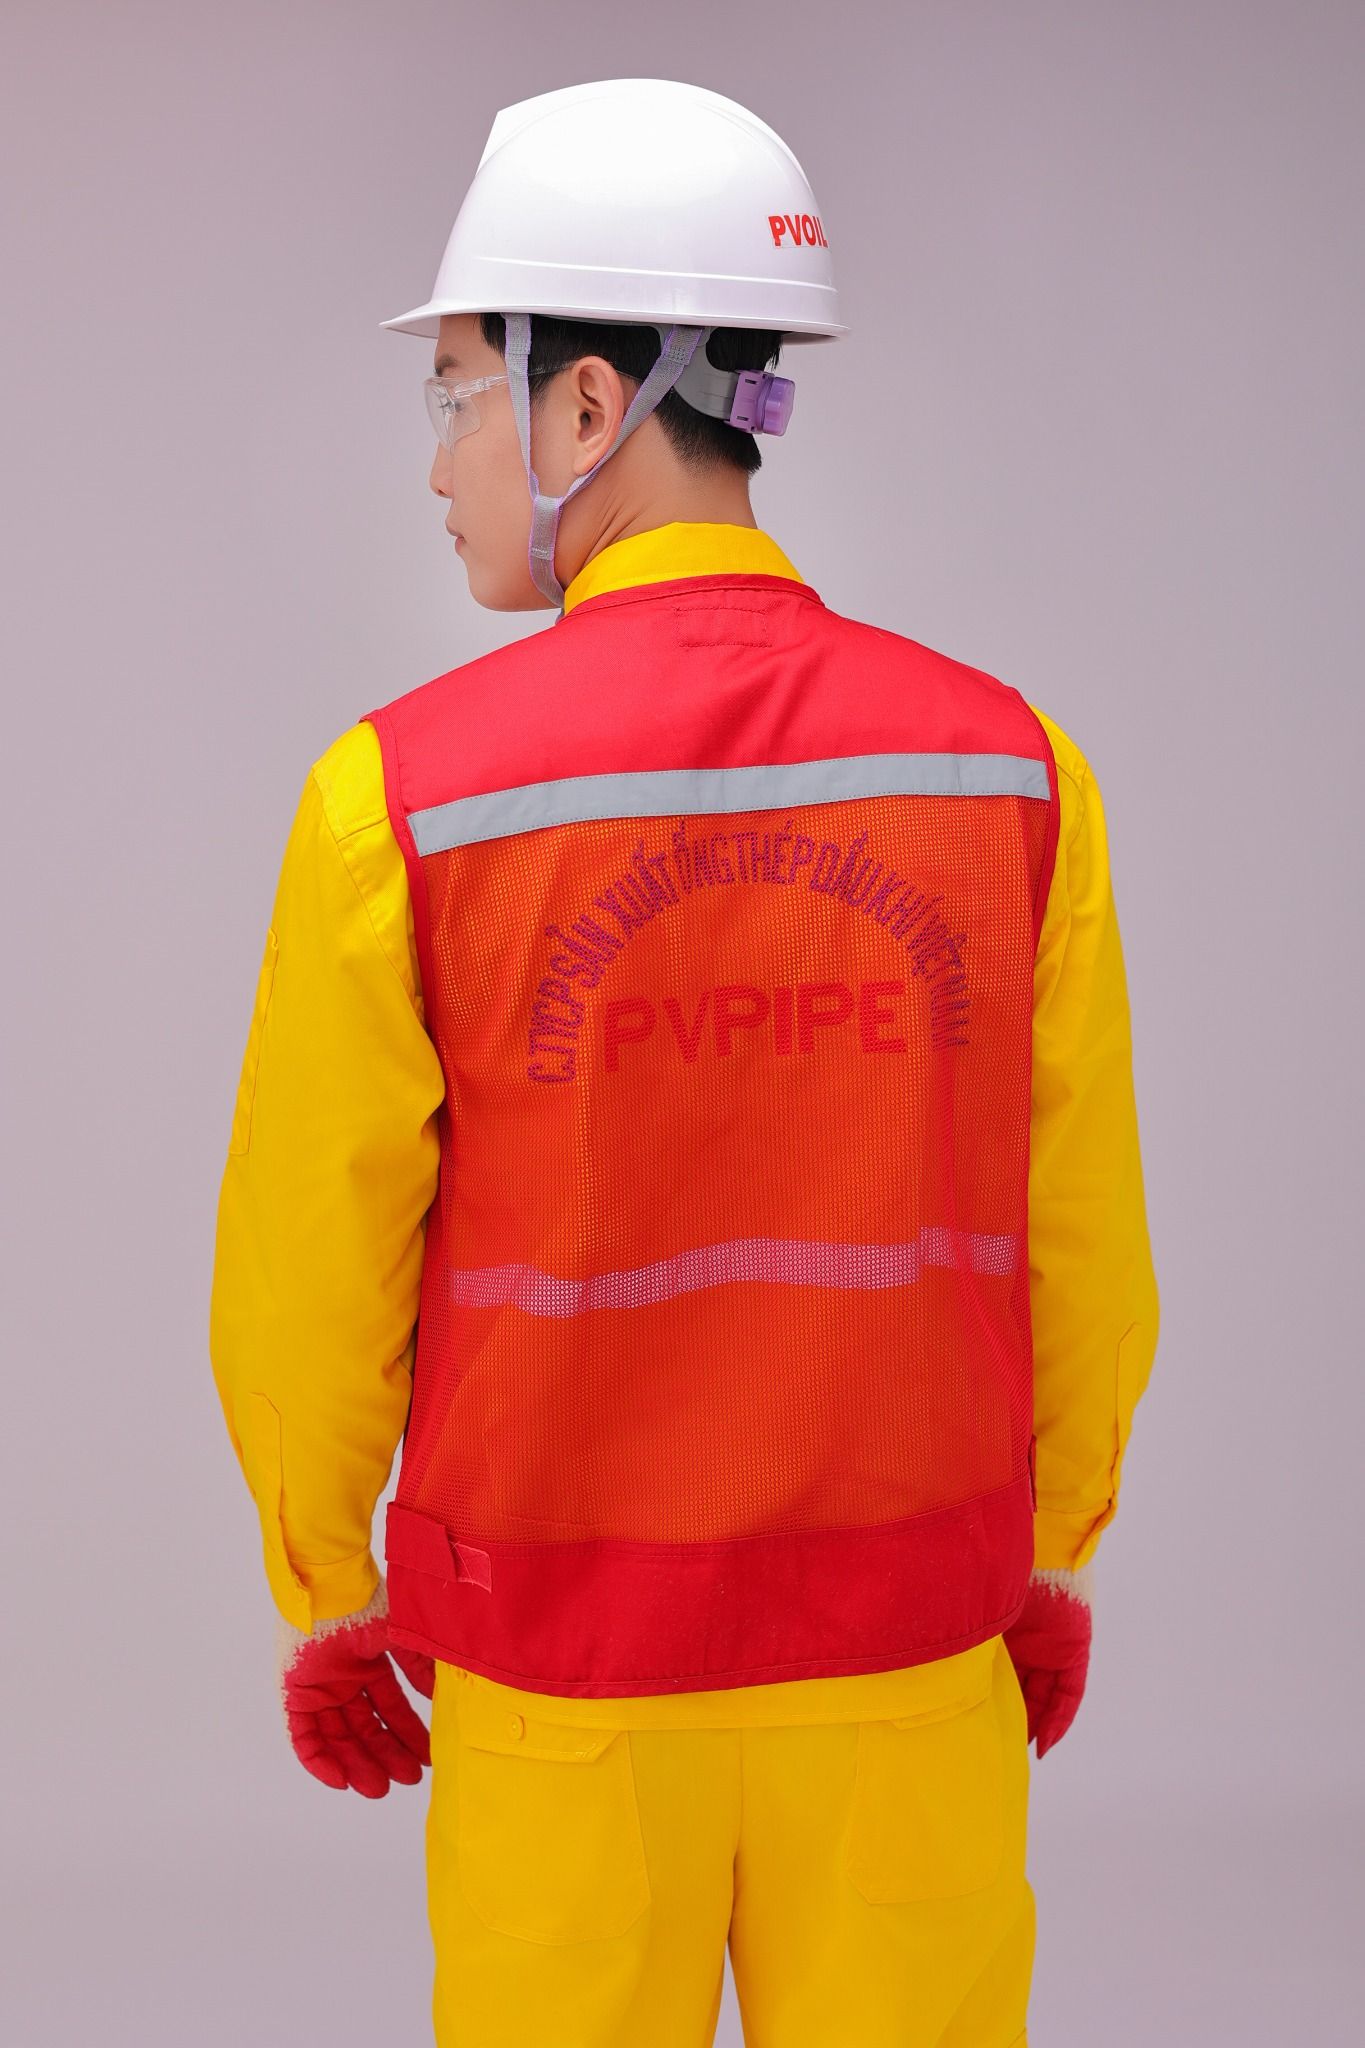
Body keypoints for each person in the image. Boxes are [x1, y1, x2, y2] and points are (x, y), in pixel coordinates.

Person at [210, 77, 1159, 2048]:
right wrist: (1050, 1552)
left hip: (564, 1687)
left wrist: (326, 1584)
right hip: (908, 1666)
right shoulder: (1008, 769)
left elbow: (313, 1262)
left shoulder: (400, 801)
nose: (439, 463)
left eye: (455, 394)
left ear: (588, 405)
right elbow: (1080, 1233)